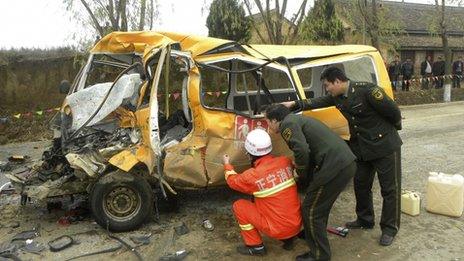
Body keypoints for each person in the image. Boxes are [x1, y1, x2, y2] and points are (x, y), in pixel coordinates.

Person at [282, 67, 403, 247]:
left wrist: (387, 133)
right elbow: (318, 101)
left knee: (390, 189)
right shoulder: (337, 96)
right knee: (361, 184)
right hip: (361, 148)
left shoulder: (368, 91)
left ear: (338, 81)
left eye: (327, 85)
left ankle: (389, 228)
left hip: (385, 146)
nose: (327, 89)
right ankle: (365, 219)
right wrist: (294, 105)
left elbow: (393, 112)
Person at [264, 104, 357, 261]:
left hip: (334, 167)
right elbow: (310, 148)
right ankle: (309, 233)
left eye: (267, 121)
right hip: (343, 163)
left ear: (274, 120)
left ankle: (320, 255)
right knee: (318, 205)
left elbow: (301, 150)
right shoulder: (296, 119)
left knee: (311, 210)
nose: (268, 125)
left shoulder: (288, 124)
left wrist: (300, 173)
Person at [223, 128, 302, 256]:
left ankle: (255, 246)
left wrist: (227, 165)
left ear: (249, 153)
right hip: (296, 225)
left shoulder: (252, 176)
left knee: (240, 206)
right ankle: (289, 239)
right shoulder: (285, 162)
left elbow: (232, 181)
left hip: (277, 230)